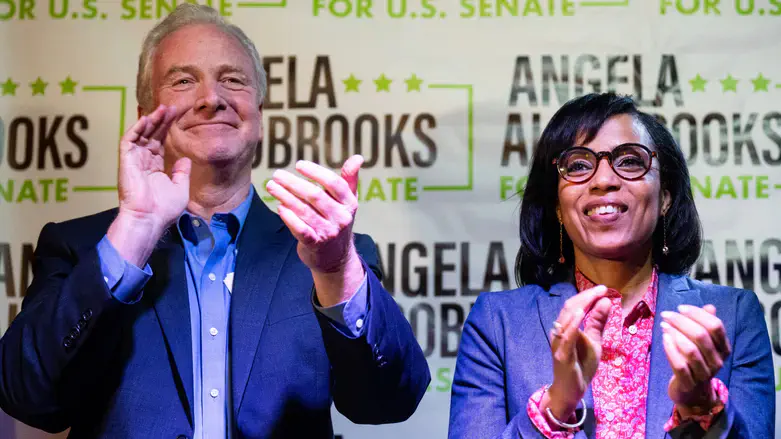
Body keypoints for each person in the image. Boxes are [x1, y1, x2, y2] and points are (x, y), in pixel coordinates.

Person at [0, 4, 430, 438]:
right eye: (184, 81)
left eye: (232, 80)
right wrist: (131, 236)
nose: (212, 98)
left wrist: (336, 270)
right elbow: (27, 397)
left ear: (259, 114)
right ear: (146, 111)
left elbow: (391, 400)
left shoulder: (325, 253)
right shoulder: (79, 247)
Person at [448, 93, 774, 439]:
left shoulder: (734, 317)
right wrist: (557, 404)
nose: (603, 180)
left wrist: (700, 405)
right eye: (578, 165)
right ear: (557, 206)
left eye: (630, 161)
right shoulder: (498, 324)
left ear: (665, 196)